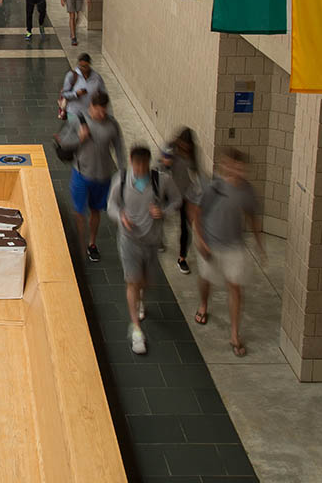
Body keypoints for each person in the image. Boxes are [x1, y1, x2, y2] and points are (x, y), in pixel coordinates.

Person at [190, 147, 265, 356]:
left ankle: (234, 334)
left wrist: (260, 244)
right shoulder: (213, 187)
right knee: (206, 279)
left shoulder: (247, 191)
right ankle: (203, 304)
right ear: (225, 166)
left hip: (235, 246)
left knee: (235, 288)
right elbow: (197, 213)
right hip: (211, 244)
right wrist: (201, 242)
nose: (236, 170)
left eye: (240, 167)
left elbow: (252, 216)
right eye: (232, 165)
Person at [108, 145, 181, 355]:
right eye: (136, 164)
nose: (140, 168)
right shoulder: (121, 180)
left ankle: (141, 300)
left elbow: (176, 200)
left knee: (145, 282)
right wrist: (121, 216)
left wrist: (163, 211)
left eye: (143, 165)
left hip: (151, 241)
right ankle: (136, 330)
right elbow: (111, 205)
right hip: (129, 241)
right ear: (131, 162)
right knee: (132, 281)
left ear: (148, 163)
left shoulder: (161, 180)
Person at [57, 91, 125, 262]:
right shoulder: (78, 121)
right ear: (91, 107)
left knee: (96, 211)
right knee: (79, 212)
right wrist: (80, 139)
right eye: (99, 110)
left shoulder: (112, 125)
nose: (102, 114)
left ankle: (91, 243)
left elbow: (119, 150)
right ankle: (79, 245)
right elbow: (62, 143)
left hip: (102, 176)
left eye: (105, 110)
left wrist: (123, 173)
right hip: (81, 174)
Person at [165, 127, 201, 274]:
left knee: (186, 227)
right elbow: (161, 167)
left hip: (186, 194)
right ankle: (159, 239)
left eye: (188, 145)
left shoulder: (193, 153)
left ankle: (182, 258)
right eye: (183, 144)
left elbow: (196, 170)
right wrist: (166, 162)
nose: (185, 147)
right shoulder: (171, 150)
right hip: (170, 191)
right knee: (159, 216)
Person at [59, 52, 107, 119]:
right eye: (80, 66)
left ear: (89, 65)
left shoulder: (96, 78)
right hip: (74, 114)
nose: (82, 68)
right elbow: (64, 94)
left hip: (90, 114)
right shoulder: (72, 76)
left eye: (85, 66)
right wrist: (76, 94)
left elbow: (103, 95)